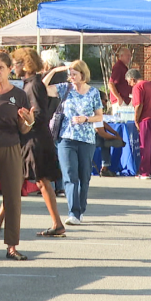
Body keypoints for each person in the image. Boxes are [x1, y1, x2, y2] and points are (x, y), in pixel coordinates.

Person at [0, 51, 35, 261]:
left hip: (12, 147)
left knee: (13, 197)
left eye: (1, 68)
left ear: (9, 69)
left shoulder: (19, 94)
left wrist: (29, 121)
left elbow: (24, 129)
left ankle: (12, 247)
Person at [10, 48, 65, 238]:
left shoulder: (33, 85)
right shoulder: (30, 83)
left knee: (39, 182)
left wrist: (27, 119)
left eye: (16, 63)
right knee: (21, 181)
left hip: (35, 139)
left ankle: (57, 223)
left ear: (25, 64)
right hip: (33, 138)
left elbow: (40, 113)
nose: (13, 68)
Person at [43, 60, 103, 226]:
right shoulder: (65, 88)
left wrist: (86, 119)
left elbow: (99, 116)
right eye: (71, 74)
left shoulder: (93, 93)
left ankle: (80, 208)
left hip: (86, 140)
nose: (72, 76)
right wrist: (55, 70)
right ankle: (73, 212)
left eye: (75, 74)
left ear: (83, 75)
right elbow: (41, 88)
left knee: (84, 176)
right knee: (70, 175)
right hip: (66, 138)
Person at [126, 69, 151, 179]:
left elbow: (139, 105)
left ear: (133, 79)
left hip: (147, 119)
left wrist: (136, 119)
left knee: (145, 145)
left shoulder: (137, 87)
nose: (129, 84)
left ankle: (144, 172)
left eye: (129, 81)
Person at [41, 48, 67, 196]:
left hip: (50, 117)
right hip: (59, 115)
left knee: (51, 153)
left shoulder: (50, 76)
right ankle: (59, 186)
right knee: (57, 153)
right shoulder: (63, 74)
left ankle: (52, 185)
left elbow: (42, 87)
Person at [93, 90, 124, 177]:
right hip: (88, 137)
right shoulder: (94, 111)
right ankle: (105, 168)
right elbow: (101, 132)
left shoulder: (95, 109)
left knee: (106, 141)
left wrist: (114, 133)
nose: (106, 103)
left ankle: (105, 167)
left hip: (92, 134)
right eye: (105, 100)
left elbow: (102, 123)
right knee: (105, 142)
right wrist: (115, 138)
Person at [108, 47, 133, 114]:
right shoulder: (118, 67)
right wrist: (118, 98)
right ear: (121, 56)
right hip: (120, 101)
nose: (129, 57)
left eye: (130, 55)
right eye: (127, 55)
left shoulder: (123, 67)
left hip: (125, 99)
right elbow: (111, 84)